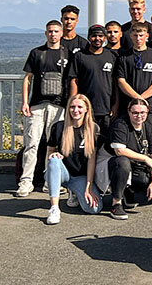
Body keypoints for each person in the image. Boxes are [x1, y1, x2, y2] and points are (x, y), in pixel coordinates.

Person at [18, 20, 68, 197]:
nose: (53, 34)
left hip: (59, 105)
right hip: (37, 105)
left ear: (61, 33)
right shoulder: (37, 53)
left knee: (52, 147)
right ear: (45, 33)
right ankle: (26, 182)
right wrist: (25, 102)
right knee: (31, 144)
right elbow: (27, 79)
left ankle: (50, 182)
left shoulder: (67, 54)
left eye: (56, 31)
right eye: (50, 31)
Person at [44, 94, 103, 225]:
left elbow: (91, 160)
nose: (75, 110)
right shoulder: (59, 127)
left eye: (79, 107)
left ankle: (75, 192)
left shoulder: (94, 129)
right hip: (62, 173)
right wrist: (54, 154)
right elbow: (51, 150)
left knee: (94, 209)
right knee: (53, 161)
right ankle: (54, 208)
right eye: (72, 107)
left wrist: (89, 187)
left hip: (81, 176)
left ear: (87, 109)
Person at [108, 99, 152, 220]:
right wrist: (145, 158)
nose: (139, 116)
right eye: (135, 113)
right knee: (123, 162)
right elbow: (119, 151)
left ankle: (128, 194)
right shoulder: (120, 125)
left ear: (147, 112)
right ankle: (116, 203)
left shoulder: (148, 128)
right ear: (129, 112)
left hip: (137, 167)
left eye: (143, 112)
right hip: (114, 164)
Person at [68, 24, 117, 140]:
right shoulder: (80, 56)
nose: (97, 39)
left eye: (101, 36)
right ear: (89, 37)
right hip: (85, 109)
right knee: (85, 140)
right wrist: (74, 102)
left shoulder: (112, 56)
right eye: (94, 36)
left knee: (104, 141)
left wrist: (116, 105)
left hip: (106, 108)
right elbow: (74, 80)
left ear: (105, 38)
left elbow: (116, 83)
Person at [116, 21, 152, 127]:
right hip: (127, 105)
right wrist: (136, 98)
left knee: (148, 135)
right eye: (135, 35)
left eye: (141, 35)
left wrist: (142, 99)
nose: (138, 38)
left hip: (148, 105)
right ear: (131, 36)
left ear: (147, 36)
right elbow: (121, 81)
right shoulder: (123, 57)